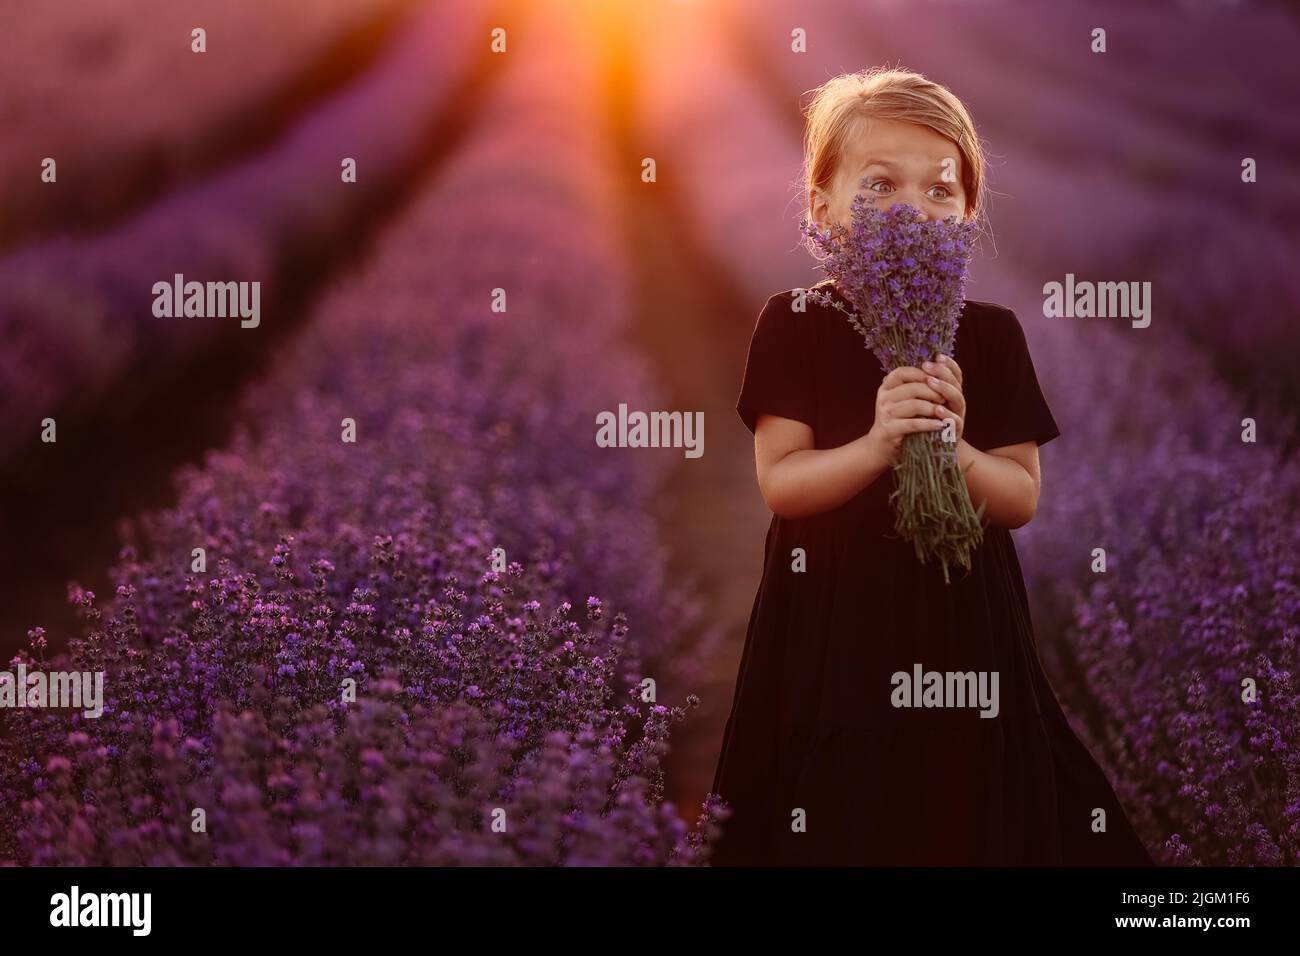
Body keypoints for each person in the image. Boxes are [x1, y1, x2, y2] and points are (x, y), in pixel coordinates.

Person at [710, 67, 1154, 866]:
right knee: (842, 799)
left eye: (941, 190)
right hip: (834, 618)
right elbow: (783, 485)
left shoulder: (989, 337)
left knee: (963, 797)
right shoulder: (796, 324)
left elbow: (1018, 498)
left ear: (969, 213)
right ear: (821, 206)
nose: (913, 209)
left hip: (963, 617)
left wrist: (953, 444)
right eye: (879, 187)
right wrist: (879, 444)